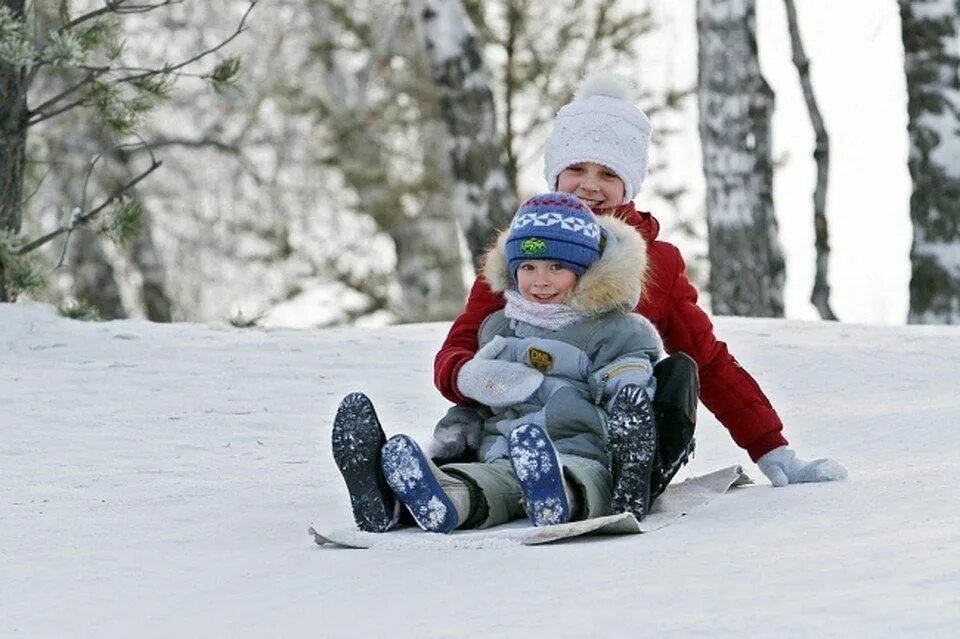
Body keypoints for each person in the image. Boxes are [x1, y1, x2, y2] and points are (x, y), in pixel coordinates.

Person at [431, 73, 847, 496]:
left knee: (679, 371)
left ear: (629, 183)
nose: (589, 184)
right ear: (554, 172)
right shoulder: (521, 250)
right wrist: (470, 376)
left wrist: (773, 449)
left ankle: (631, 468)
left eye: (607, 173)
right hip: (521, 416)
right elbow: (463, 342)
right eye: (576, 168)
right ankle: (440, 481)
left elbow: (711, 362)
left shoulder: (656, 263)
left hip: (604, 425)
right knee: (478, 402)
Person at [333, 192, 665, 533]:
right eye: (528, 267)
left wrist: (627, 404)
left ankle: (556, 497)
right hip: (504, 453)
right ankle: (426, 500)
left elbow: (628, 381)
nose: (541, 280)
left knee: (582, 479)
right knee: (483, 483)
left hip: (582, 451)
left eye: (557, 267)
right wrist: (458, 429)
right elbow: (483, 400)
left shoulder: (612, 329)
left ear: (586, 270)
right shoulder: (501, 328)